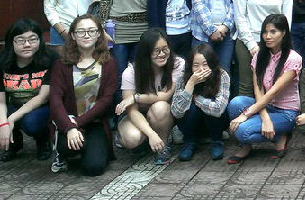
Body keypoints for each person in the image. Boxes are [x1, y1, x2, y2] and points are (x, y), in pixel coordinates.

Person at [227, 14, 301, 162]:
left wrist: (246, 115)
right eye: (265, 32)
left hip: (286, 113)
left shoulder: (293, 58)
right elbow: (258, 91)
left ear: (284, 33)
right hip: (266, 105)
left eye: (273, 32)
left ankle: (281, 134)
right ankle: (248, 145)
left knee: (241, 131)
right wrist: (265, 117)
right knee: (235, 103)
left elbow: (272, 93)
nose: (268, 36)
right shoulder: (259, 55)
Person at [48, 15, 117, 175]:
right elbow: (55, 99)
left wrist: (77, 123)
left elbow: (106, 100)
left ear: (98, 34)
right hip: (67, 121)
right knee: (68, 147)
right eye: (81, 32)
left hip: (94, 122)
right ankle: (62, 151)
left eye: (91, 31)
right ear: (73, 35)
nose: (86, 35)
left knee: (94, 168)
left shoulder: (109, 63)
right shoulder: (61, 64)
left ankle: (89, 149)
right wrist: (70, 126)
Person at [0, 19, 56, 162]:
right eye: (21, 40)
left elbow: (43, 97)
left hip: (42, 107)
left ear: (40, 40)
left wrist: (12, 119)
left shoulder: (51, 59)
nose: (27, 44)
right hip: (13, 105)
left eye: (32, 39)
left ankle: (43, 140)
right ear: (12, 42)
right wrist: (4, 125)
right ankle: (14, 142)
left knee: (32, 123)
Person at [115, 28, 185, 165]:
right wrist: (151, 134)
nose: (162, 54)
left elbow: (165, 95)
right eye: (156, 51)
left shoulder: (177, 63)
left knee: (160, 107)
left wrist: (135, 97)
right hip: (136, 115)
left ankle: (162, 146)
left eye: (165, 49)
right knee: (132, 138)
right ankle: (145, 140)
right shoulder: (131, 72)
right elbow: (132, 111)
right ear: (146, 52)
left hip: (162, 113)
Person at [233, 0, 293, 98]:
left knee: (272, 86)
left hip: (276, 42)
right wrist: (251, 45)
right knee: (247, 87)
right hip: (249, 41)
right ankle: (245, 113)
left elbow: (286, 18)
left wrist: (279, 42)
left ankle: (268, 114)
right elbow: (240, 17)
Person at [171, 43, 230, 161]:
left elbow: (219, 109)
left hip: (215, 122)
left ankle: (216, 141)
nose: (201, 69)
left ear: (212, 64)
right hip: (191, 123)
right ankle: (189, 142)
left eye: (205, 64)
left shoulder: (222, 75)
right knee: (190, 108)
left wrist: (197, 99)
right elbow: (176, 112)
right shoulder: (183, 78)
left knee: (211, 103)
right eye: (196, 65)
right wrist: (191, 84)